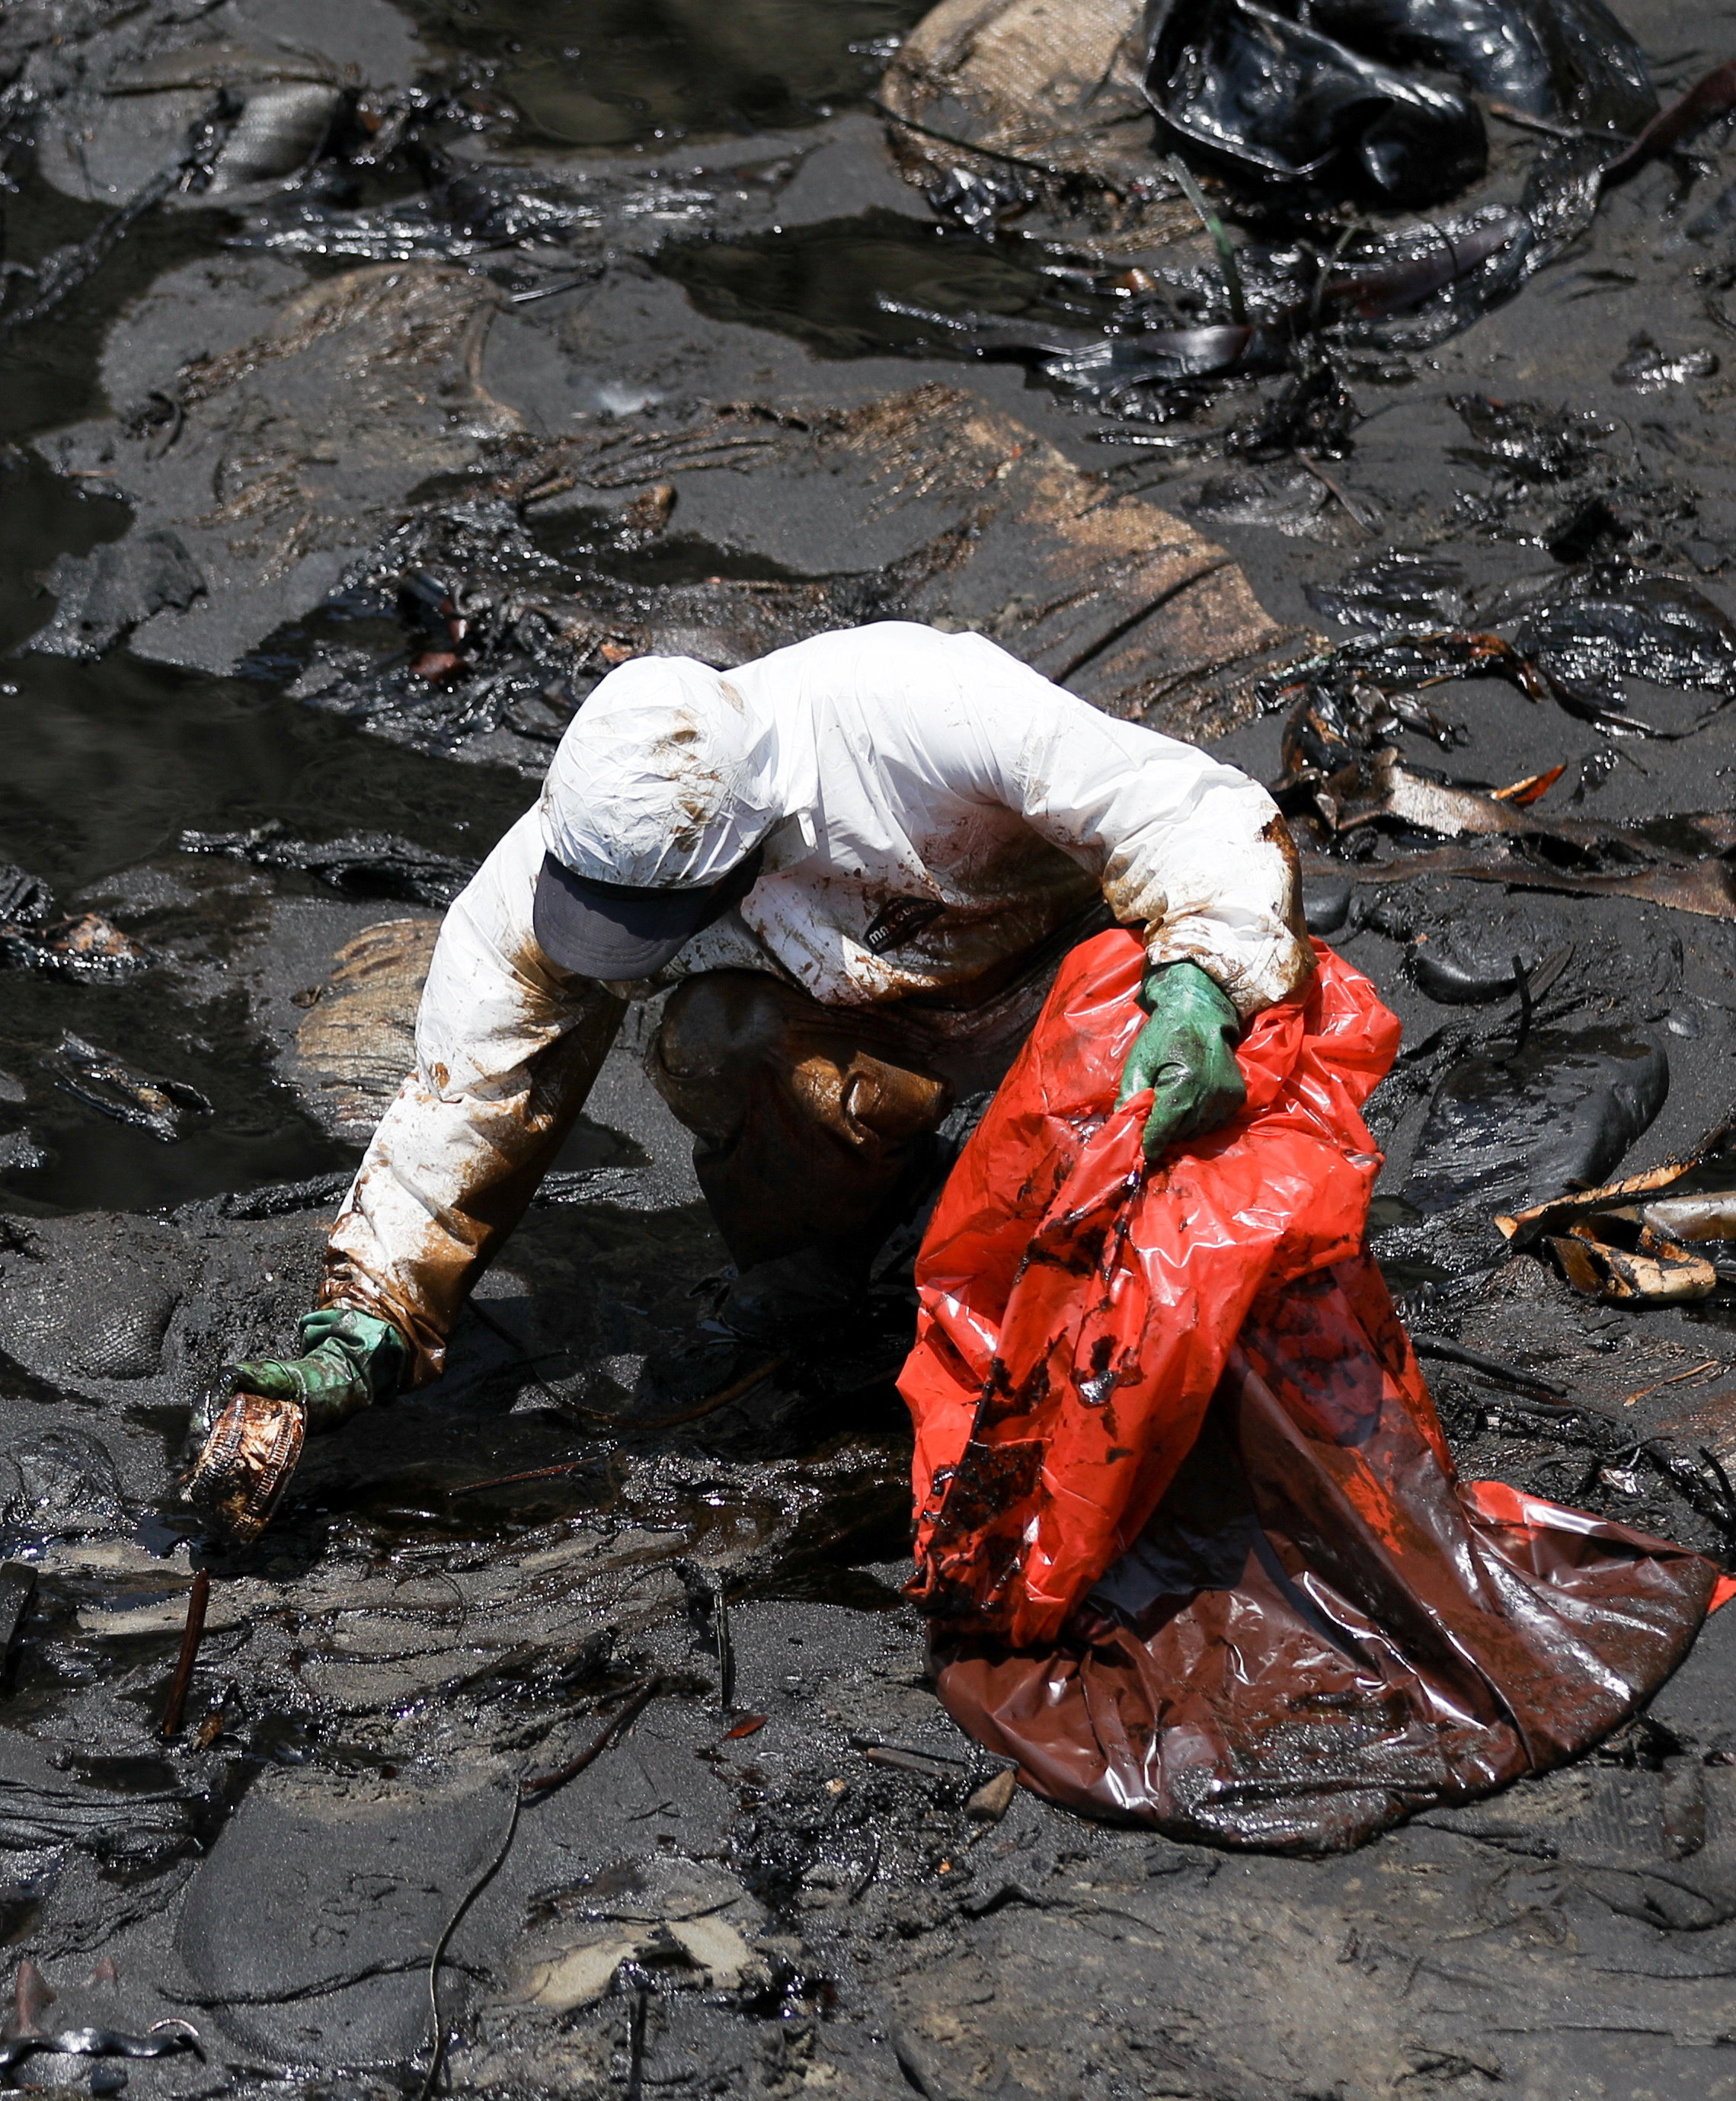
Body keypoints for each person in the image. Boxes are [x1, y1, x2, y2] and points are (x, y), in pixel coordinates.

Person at [194, 621, 1303, 1515]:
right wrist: (369, 1314)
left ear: (747, 829)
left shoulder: (922, 705)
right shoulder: (576, 845)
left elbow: (1189, 808)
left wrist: (1204, 976)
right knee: (710, 1038)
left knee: (1132, 1220)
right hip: (873, 1028)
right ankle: (823, 1270)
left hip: (1062, 996)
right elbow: (469, 1086)